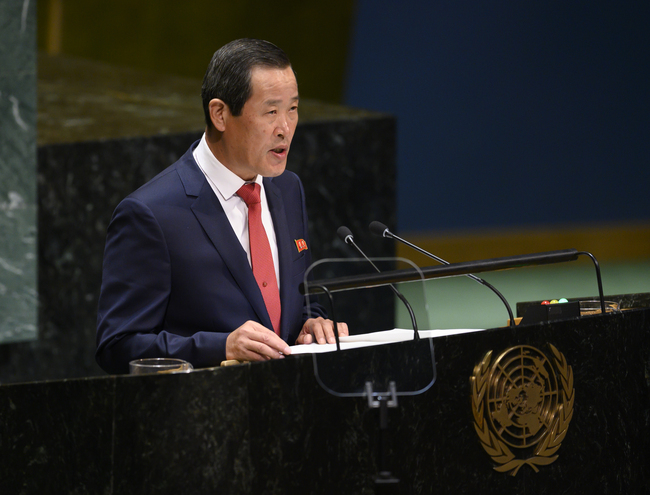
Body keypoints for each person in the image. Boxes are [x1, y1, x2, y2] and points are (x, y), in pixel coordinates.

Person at [96, 39, 348, 374]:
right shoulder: (151, 214)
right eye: (271, 111)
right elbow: (117, 345)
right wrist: (220, 347)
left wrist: (313, 322)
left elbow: (298, 300)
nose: (285, 128)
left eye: (293, 108)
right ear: (220, 114)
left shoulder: (288, 188)